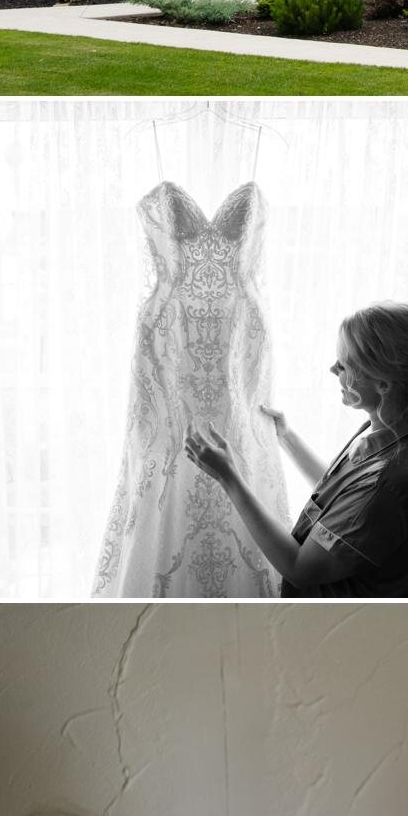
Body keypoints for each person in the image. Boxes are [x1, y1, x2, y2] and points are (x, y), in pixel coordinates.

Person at [93, 180, 286, 599]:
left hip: (239, 343)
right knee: (165, 473)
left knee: (240, 463)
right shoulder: (157, 137)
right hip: (169, 343)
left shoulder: (258, 140)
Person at [187, 303, 408, 598]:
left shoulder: (390, 483)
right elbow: (346, 497)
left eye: (345, 365)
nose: (332, 369)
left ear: (383, 383)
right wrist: (288, 438)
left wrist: (228, 477)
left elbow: (300, 568)